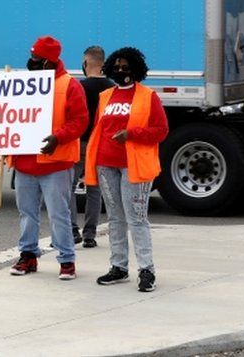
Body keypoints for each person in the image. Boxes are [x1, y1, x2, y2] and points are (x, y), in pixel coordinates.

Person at [84, 47, 169, 292]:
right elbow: (99, 130)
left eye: (126, 66)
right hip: (105, 164)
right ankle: (119, 267)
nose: (121, 70)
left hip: (134, 166)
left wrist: (131, 134)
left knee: (136, 219)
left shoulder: (147, 96)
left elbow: (161, 130)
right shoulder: (106, 96)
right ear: (109, 68)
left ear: (136, 69)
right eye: (117, 66)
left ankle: (146, 270)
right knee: (115, 219)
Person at [9, 36, 89, 281]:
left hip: (56, 162)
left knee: (59, 214)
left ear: (48, 61)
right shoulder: (21, 84)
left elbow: (80, 120)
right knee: (27, 212)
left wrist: (58, 137)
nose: (31, 61)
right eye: (31, 56)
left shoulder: (69, 85)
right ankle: (28, 255)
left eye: (36, 58)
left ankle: (66, 260)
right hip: (25, 161)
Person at [71, 46, 115, 248]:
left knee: (68, 188)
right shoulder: (112, 88)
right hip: (100, 145)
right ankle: (90, 234)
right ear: (103, 64)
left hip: (79, 143)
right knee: (94, 190)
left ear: (85, 63)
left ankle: (72, 230)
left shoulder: (79, 87)